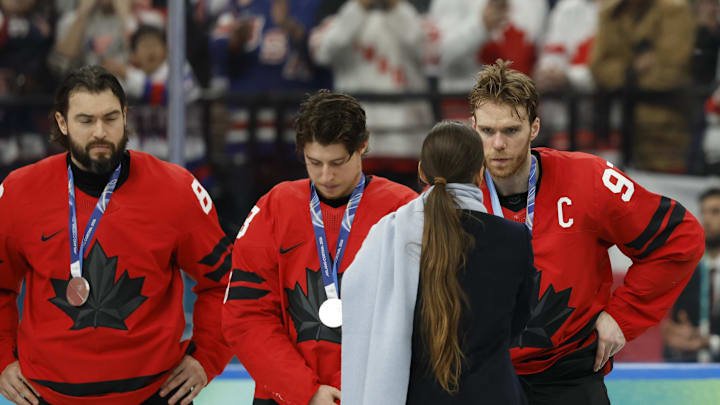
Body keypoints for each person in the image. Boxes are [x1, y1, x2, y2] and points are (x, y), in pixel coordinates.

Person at [469, 60, 704, 404]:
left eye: (511, 130)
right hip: (483, 380)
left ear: (534, 127)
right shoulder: (452, 190)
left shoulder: (587, 179)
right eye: (487, 131)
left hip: (569, 381)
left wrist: (622, 319)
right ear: (472, 126)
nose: (499, 144)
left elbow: (679, 238)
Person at [0, 66, 233, 405]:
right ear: (62, 123)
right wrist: (4, 360)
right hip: (46, 397)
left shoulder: (176, 190)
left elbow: (226, 281)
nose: (100, 132)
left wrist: (206, 357)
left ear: (126, 116)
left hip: (155, 395)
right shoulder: (19, 193)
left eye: (111, 118)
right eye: (85, 120)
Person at [221, 89, 418, 405]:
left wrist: (355, 391)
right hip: (284, 396)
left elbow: (419, 317)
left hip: (373, 395)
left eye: (338, 162)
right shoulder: (274, 208)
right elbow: (245, 315)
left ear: (363, 145)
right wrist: (305, 391)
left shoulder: (403, 210)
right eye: (314, 162)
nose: (326, 176)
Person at [341, 120, 534, 405]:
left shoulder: (392, 236)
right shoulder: (514, 238)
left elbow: (357, 307)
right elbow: (517, 323)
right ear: (480, 172)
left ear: (421, 171)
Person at [663, 188, 720, 363]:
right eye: (703, 212)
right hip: (689, 368)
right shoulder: (688, 268)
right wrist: (672, 334)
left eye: (715, 212)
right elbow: (674, 325)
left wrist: (711, 342)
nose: (707, 219)